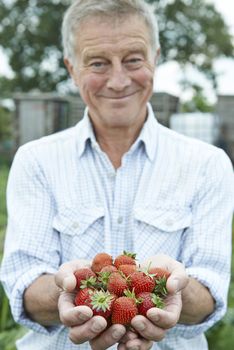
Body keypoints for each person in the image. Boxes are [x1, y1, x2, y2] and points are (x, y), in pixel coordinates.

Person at [0, 0, 234, 349]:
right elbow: (25, 283)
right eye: (98, 63)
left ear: (155, 58)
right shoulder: (36, 161)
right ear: (71, 68)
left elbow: (211, 290)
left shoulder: (207, 164)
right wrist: (70, 289)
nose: (118, 80)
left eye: (133, 60)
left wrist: (172, 291)